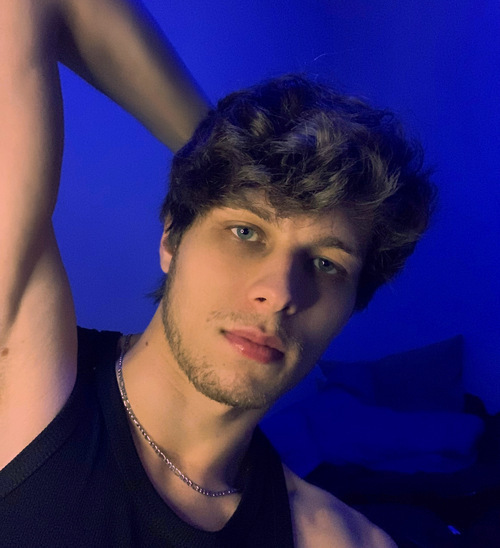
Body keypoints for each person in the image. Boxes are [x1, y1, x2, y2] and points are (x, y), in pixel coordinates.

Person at [0, 0, 435, 546]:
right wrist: (211, 151)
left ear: (352, 305)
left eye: (326, 264)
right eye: (246, 231)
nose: (279, 292)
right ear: (172, 238)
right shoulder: (22, 378)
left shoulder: (341, 539)